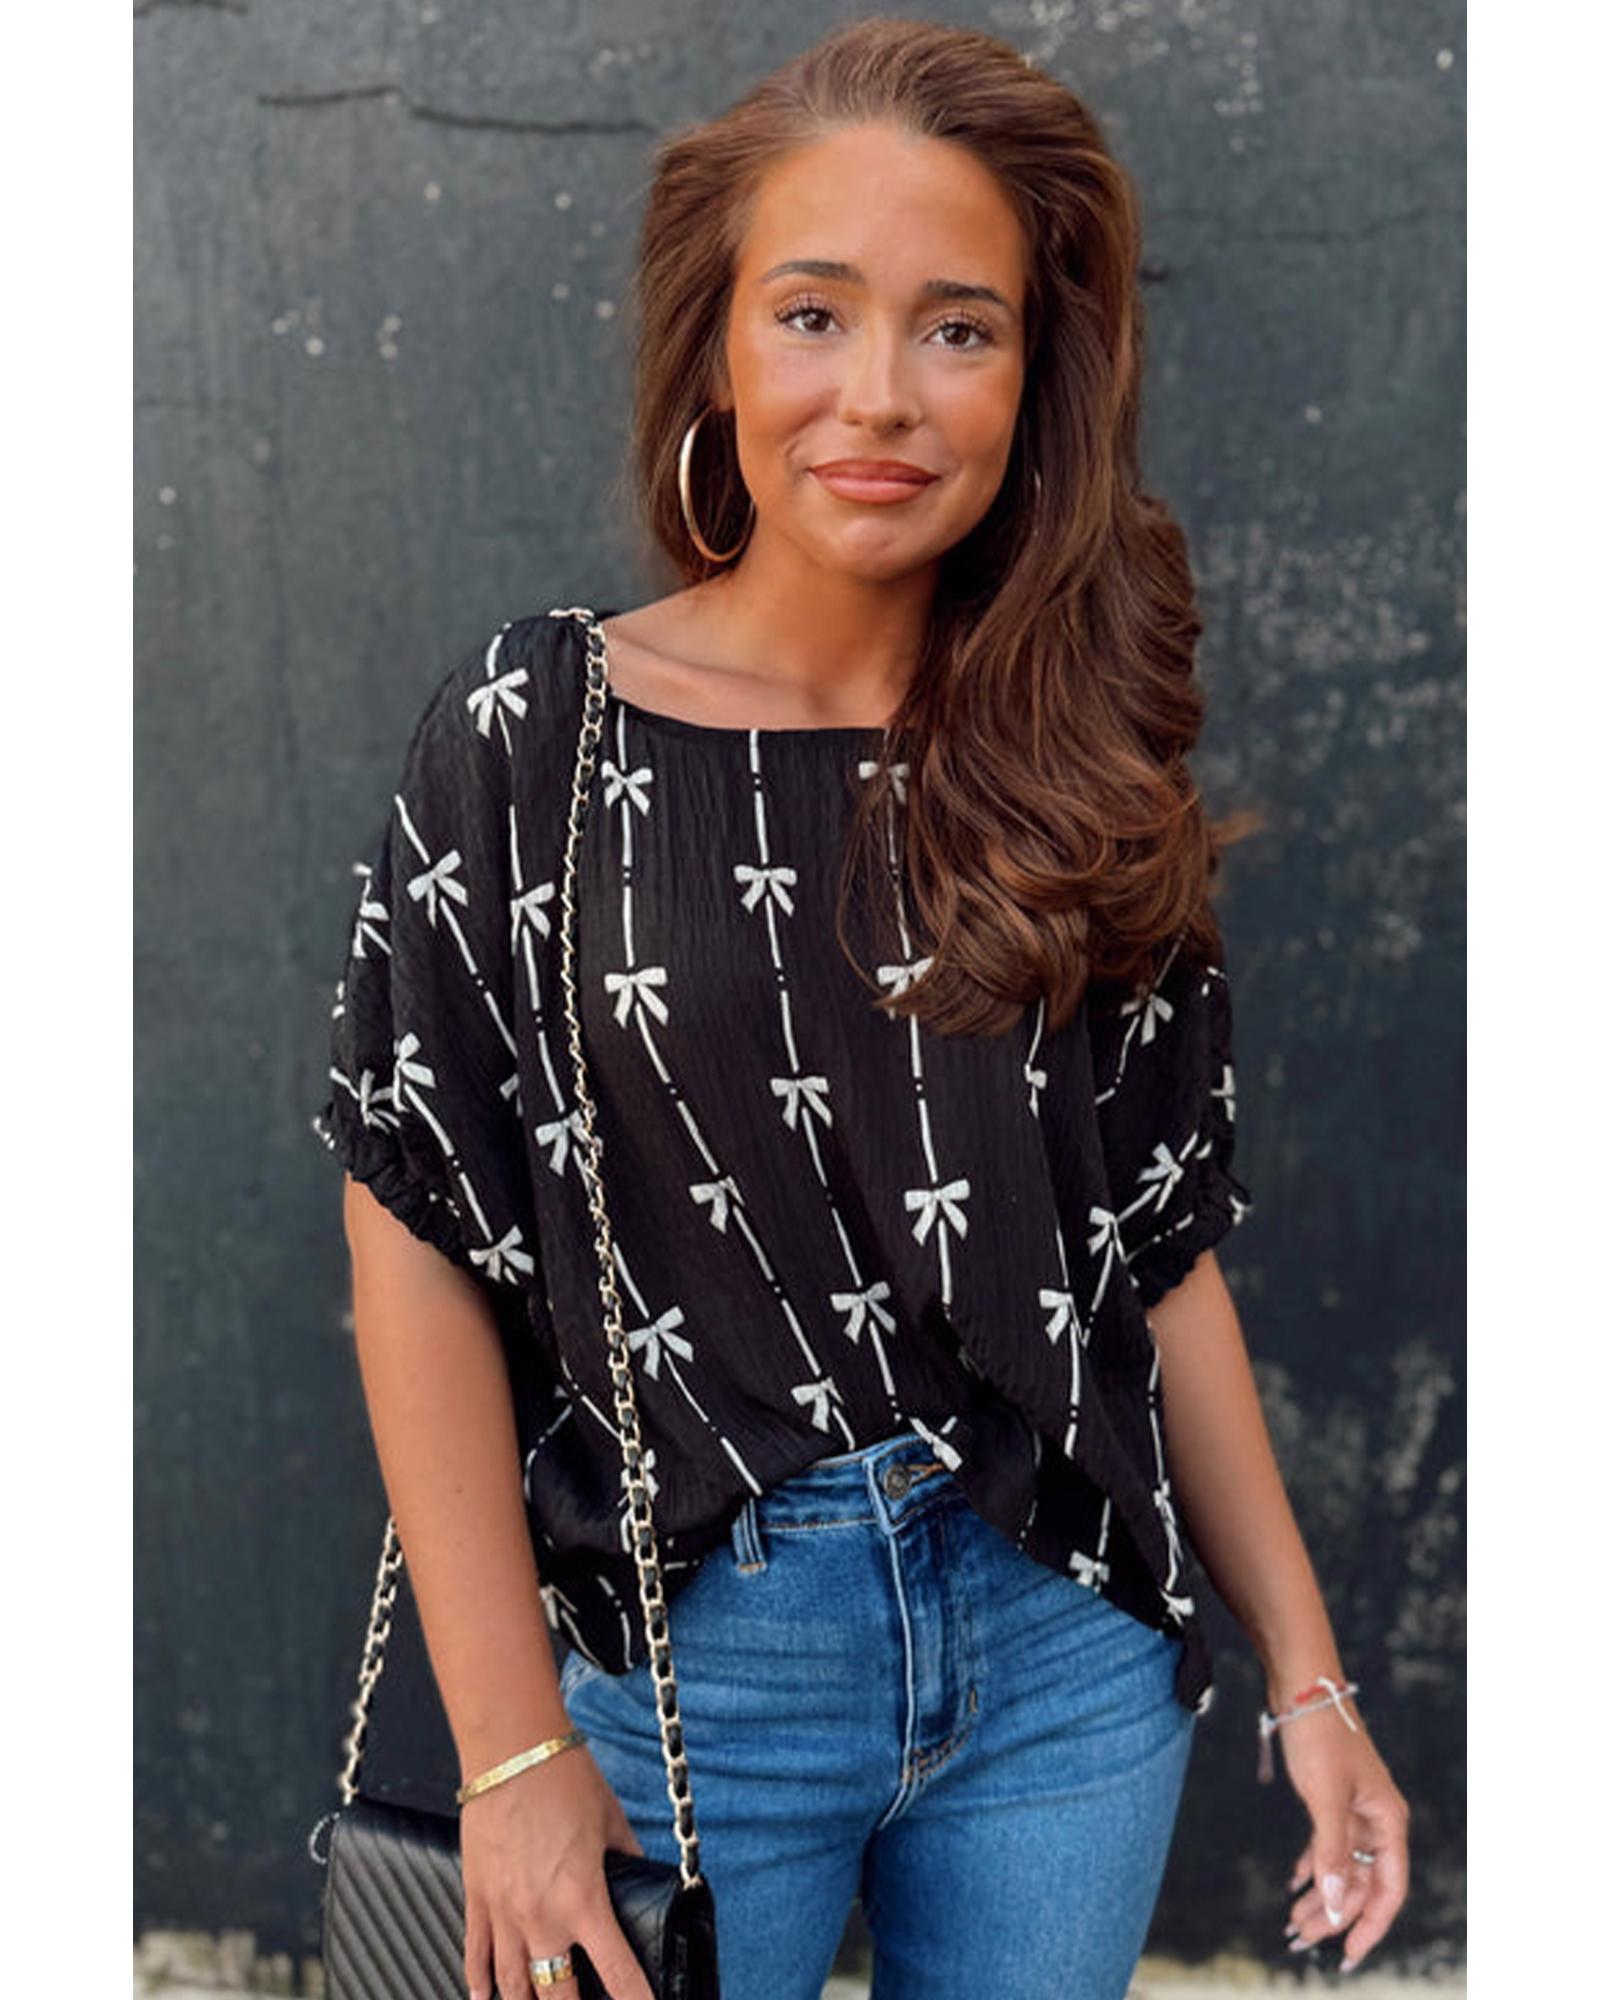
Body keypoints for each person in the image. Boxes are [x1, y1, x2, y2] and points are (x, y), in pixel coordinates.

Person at [313, 18, 1412, 2000]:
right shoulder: (534, 733)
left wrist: (1310, 1678)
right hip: (692, 1667)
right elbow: (414, 1236)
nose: (881, 394)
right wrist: (511, 1748)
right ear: (716, 350)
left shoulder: (1078, 762)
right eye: (812, 313)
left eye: (958, 328)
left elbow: (1156, 1258)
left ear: (1036, 380)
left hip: (1063, 1657)